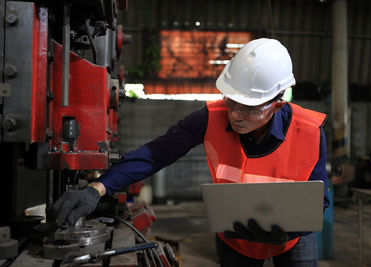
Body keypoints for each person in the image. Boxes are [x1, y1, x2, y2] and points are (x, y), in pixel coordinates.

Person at [50, 38, 329, 267]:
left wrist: (288, 231)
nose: (235, 114)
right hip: (235, 236)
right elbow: (155, 153)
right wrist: (96, 189)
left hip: (291, 239)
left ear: (277, 105)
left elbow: (320, 200)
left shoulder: (310, 131)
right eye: (231, 101)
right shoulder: (211, 117)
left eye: (250, 108)